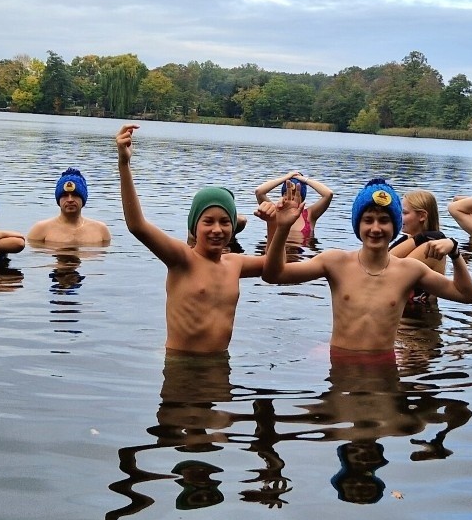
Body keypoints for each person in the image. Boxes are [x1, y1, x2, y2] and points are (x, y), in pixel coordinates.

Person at [261, 178, 472, 356]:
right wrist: (281, 227)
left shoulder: (409, 270)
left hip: (383, 368)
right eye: (368, 220)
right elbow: (274, 275)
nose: (376, 228)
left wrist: (455, 252)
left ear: (394, 226)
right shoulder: (335, 262)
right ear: (358, 225)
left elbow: (467, 295)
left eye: (384, 220)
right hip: (341, 363)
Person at [116, 124, 272, 355]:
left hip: (219, 366)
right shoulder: (182, 259)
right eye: (208, 221)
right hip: (181, 367)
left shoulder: (235, 264)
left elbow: (273, 265)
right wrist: (124, 164)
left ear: (232, 227)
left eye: (225, 222)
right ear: (194, 226)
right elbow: (137, 225)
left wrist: (275, 225)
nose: (217, 229)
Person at [389, 189, 457, 313]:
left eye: (404, 213)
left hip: (419, 323)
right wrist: (420, 237)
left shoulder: (430, 246)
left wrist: (422, 237)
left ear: (422, 216)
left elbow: (387, 266)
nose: (399, 217)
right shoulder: (409, 239)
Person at [27, 167, 112, 245]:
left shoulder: (101, 230)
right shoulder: (41, 229)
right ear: (58, 199)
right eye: (65, 195)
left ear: (83, 199)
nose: (70, 200)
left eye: (75, 195)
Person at [255, 170, 334, 245]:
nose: (291, 197)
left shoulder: (309, 215)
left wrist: (303, 179)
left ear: (302, 198)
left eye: (295, 194)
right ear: (283, 195)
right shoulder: (275, 212)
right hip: (276, 256)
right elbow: (259, 191)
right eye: (287, 193)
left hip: (300, 257)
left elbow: (328, 194)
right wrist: (286, 178)